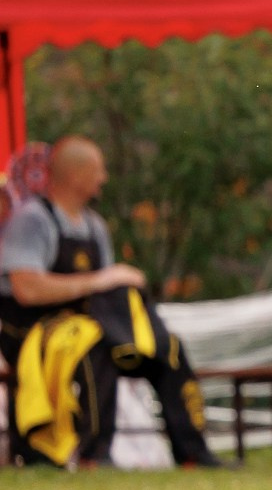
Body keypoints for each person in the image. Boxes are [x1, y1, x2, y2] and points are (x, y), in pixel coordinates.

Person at [0, 136, 220, 468]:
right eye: (98, 170)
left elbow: (105, 291)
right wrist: (101, 280)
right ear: (76, 175)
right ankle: (93, 456)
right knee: (96, 346)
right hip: (32, 332)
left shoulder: (95, 226)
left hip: (88, 324)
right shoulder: (33, 220)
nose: (103, 178)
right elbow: (26, 290)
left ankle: (193, 453)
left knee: (166, 349)